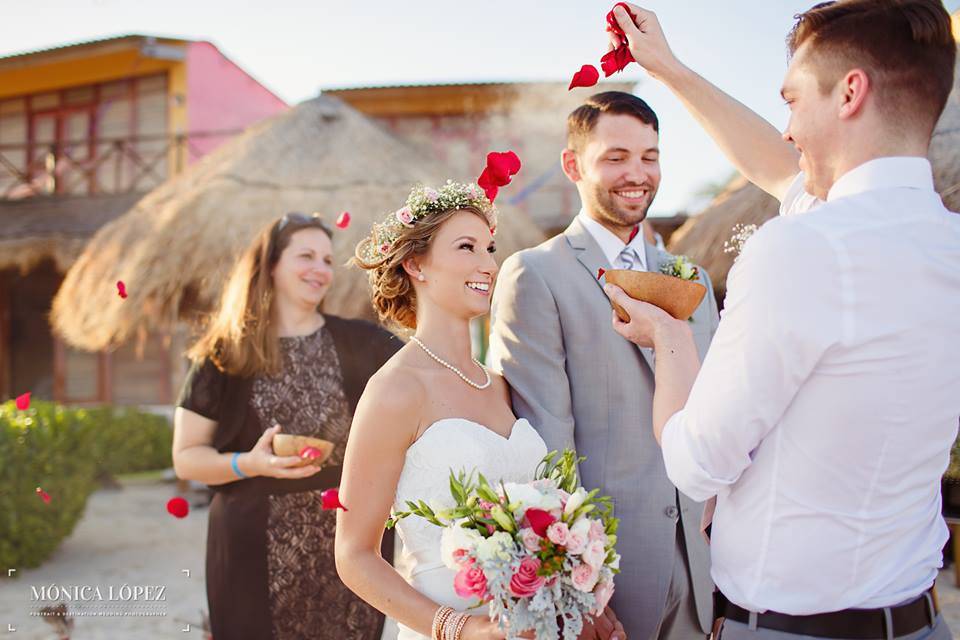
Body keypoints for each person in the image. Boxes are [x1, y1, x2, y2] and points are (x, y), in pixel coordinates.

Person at [603, 2, 960, 639]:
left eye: (792, 101)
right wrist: (669, 71)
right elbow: (779, 170)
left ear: (851, 91)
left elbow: (696, 463)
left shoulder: (801, 248)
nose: (788, 129)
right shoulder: (945, 244)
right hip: (920, 624)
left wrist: (671, 340)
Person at [334, 182, 626, 640]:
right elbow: (353, 555)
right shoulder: (394, 390)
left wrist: (581, 602)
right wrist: (461, 629)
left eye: (490, 249)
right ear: (415, 264)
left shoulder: (504, 384)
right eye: (466, 247)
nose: (488, 264)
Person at [489, 91, 719, 640]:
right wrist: (574, 585)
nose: (637, 173)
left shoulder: (696, 280)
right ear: (574, 165)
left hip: (707, 570)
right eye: (616, 157)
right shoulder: (535, 275)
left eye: (650, 156)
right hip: (607, 578)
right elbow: (543, 443)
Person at [173, 212, 400, 640]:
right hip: (253, 548)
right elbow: (186, 459)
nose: (321, 270)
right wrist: (250, 463)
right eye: (307, 256)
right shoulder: (224, 356)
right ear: (271, 265)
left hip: (349, 548)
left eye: (329, 261)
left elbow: (427, 375)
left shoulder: (365, 343)